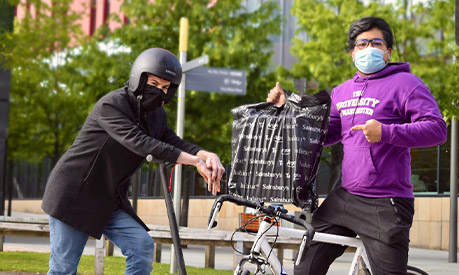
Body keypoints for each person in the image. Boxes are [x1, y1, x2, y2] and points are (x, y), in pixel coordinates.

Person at [267, 17, 447, 275]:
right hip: (344, 198)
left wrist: (385, 132)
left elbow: (437, 130)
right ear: (353, 53)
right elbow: (324, 134)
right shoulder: (342, 91)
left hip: (386, 203)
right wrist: (288, 109)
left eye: (376, 42)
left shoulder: (407, 84)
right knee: (305, 268)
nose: (369, 48)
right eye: (362, 44)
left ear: (388, 51)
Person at [41, 48, 225, 275]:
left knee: (141, 246)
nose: (159, 91)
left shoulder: (157, 115)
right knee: (63, 269)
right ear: (139, 77)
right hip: (76, 193)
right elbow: (141, 142)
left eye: (165, 88)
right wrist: (195, 162)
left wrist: (205, 154)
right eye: (154, 83)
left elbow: (170, 140)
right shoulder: (112, 105)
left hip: (109, 197)